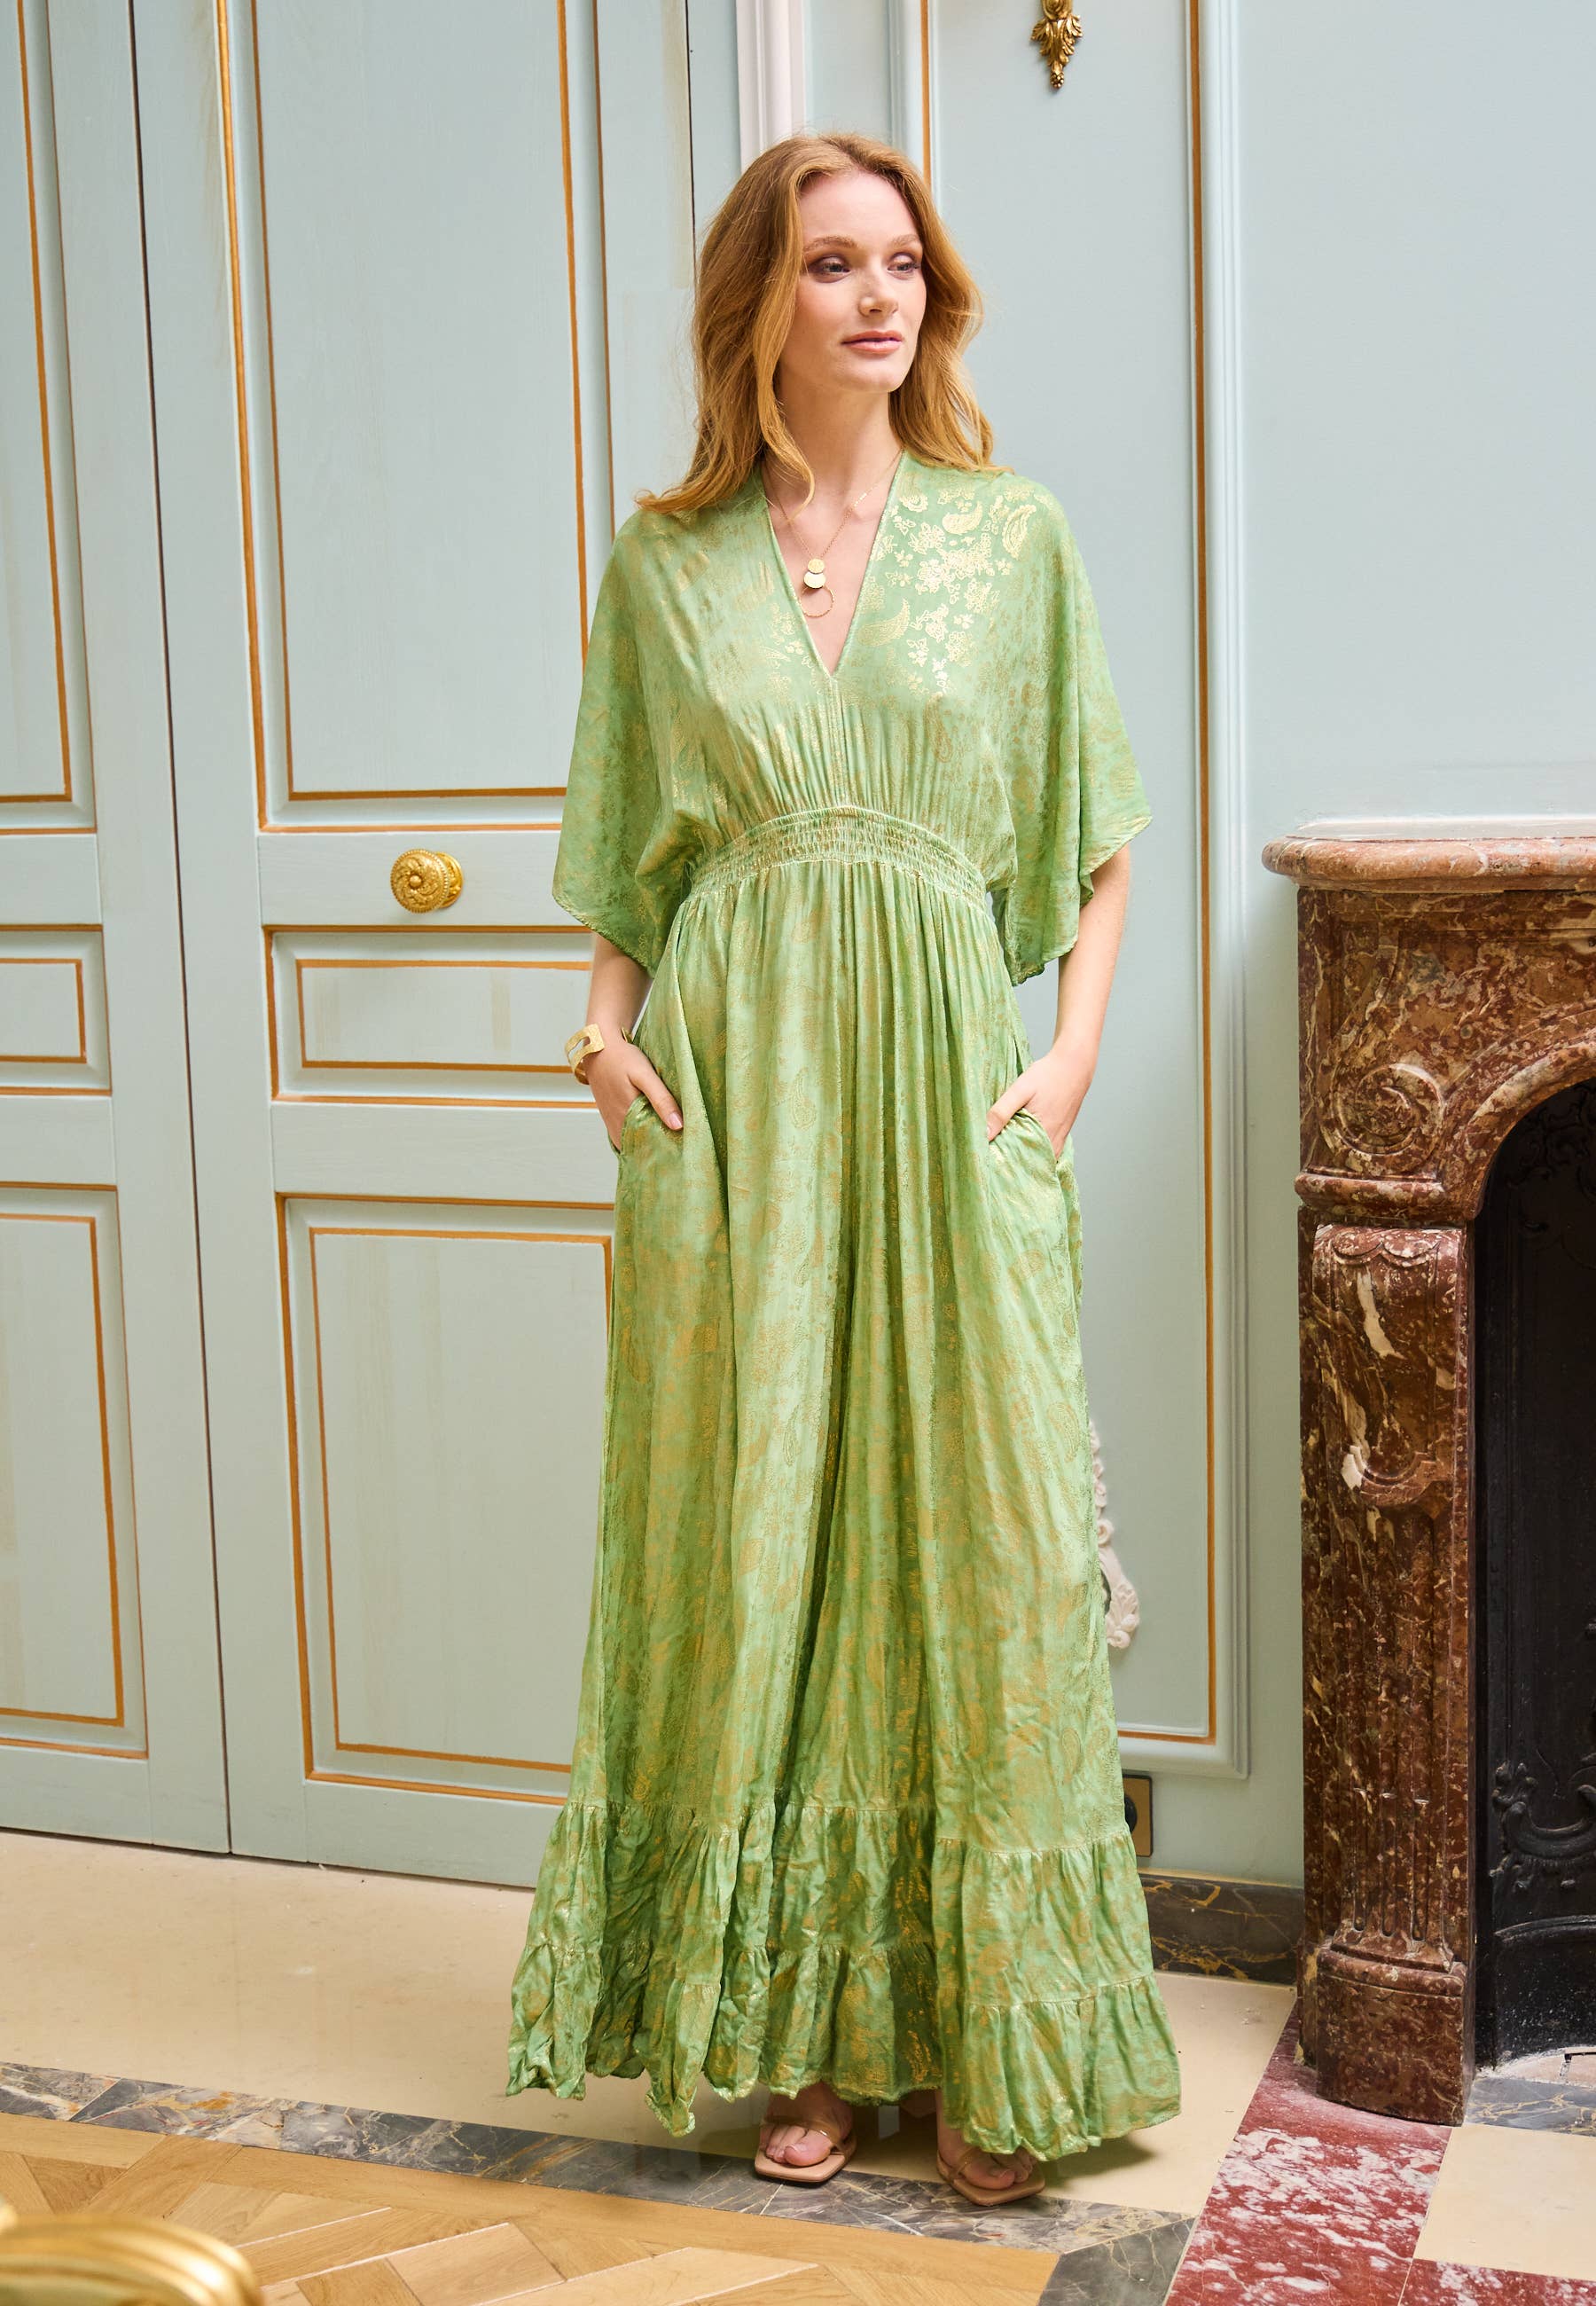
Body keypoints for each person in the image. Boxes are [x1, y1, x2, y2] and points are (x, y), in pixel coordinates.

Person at [506, 128, 1180, 2208]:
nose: (878, 296)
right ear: (760, 300)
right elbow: (629, 857)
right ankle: (801, 2029)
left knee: (974, 1547)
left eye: (903, 263)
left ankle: (987, 2038)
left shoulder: (1010, 536)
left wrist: (1068, 1058)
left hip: (951, 1097)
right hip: (736, 1110)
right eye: (830, 263)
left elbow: (1097, 831)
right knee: (766, 1547)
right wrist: (604, 1040)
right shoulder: (667, 564)